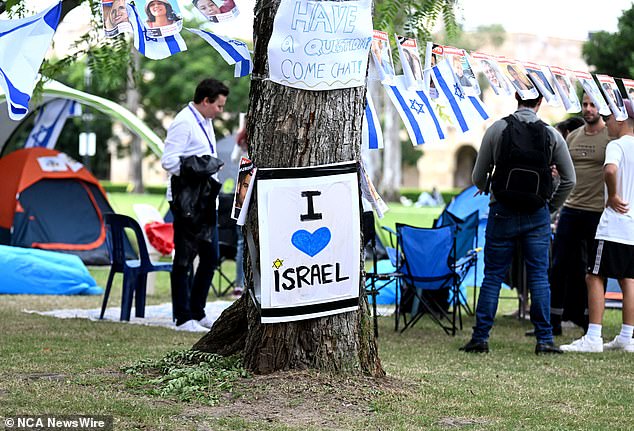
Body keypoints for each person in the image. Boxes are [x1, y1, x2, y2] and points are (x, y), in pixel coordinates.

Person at [461, 92, 576, 354]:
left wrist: (488, 186)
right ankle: (545, 339)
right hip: (537, 214)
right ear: (540, 101)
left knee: (492, 276)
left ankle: (480, 338)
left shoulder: (497, 129)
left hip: (502, 212)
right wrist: (550, 209)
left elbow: (478, 176)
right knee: (539, 277)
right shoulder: (552, 135)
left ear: (516, 97)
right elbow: (570, 180)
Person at [561, 99, 634, 353]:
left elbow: (610, 171)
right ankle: (627, 336)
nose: (609, 123)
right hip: (632, 227)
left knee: (593, 276)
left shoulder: (616, 145)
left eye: (612, 117)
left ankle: (593, 337)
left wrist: (613, 195)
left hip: (613, 225)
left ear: (622, 119)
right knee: (628, 279)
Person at [540, 94, 612, 337]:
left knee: (593, 269)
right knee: (558, 266)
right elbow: (563, 169)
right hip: (570, 209)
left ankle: (589, 323)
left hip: (597, 212)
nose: (588, 109)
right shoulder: (573, 136)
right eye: (584, 105)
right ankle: (554, 321)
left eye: (592, 105)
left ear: (601, 108)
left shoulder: (610, 136)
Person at [161, 78, 229, 332]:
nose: (220, 111)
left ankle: (197, 310)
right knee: (185, 258)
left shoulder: (205, 121)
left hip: (205, 199)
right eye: (219, 106)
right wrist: (200, 169)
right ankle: (182, 316)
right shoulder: (184, 122)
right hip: (188, 200)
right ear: (205, 101)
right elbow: (169, 161)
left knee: (211, 257)